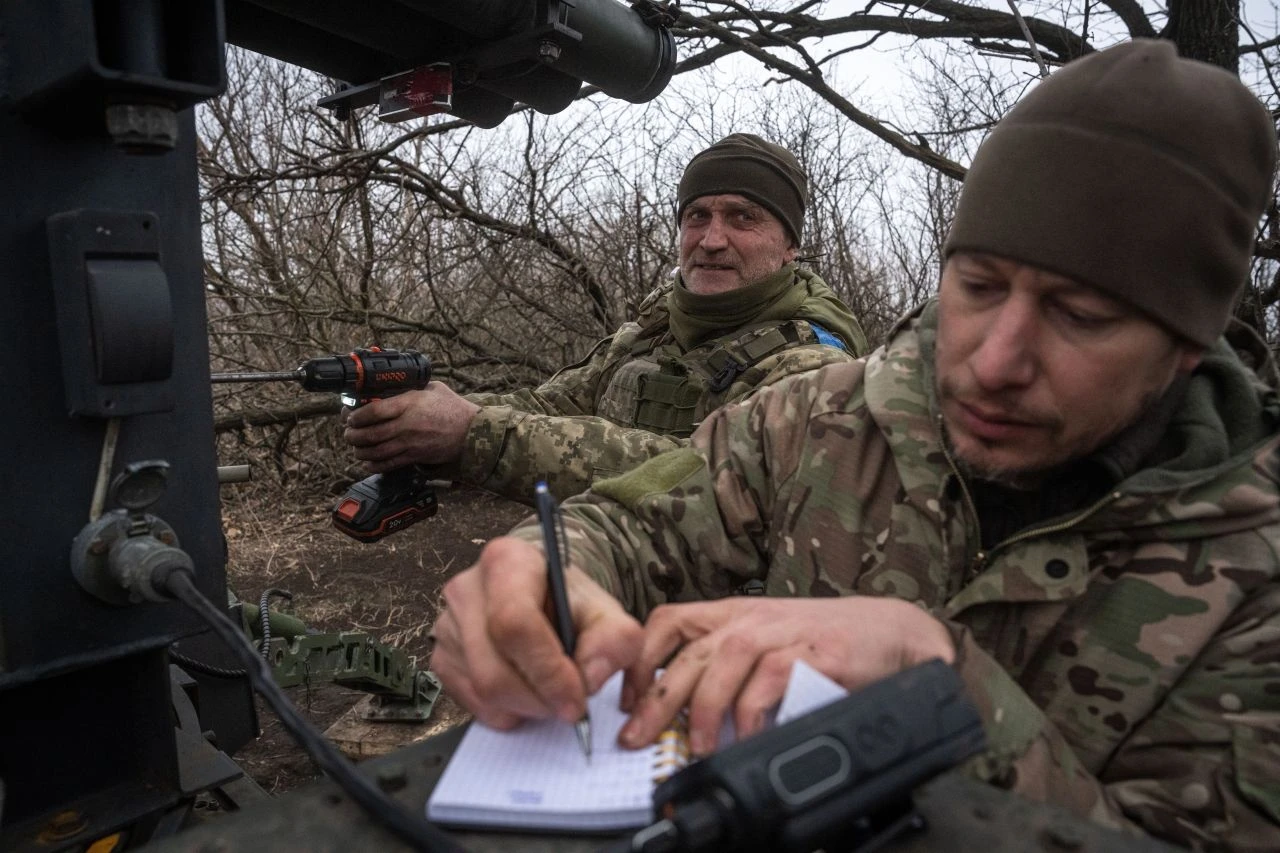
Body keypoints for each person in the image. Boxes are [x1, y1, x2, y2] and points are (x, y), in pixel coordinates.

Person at [427, 40, 1280, 850]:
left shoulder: (1255, 574)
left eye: (1081, 317)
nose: (994, 361)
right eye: (978, 287)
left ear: (1184, 347)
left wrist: (939, 677)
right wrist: (541, 572)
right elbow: (635, 523)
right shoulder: (825, 415)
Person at [342, 134, 867, 503]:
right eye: (696, 216)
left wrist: (475, 435)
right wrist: (427, 413)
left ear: (790, 245)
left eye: (743, 217)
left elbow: (706, 477)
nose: (710, 239)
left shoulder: (816, 367)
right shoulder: (655, 328)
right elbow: (554, 402)